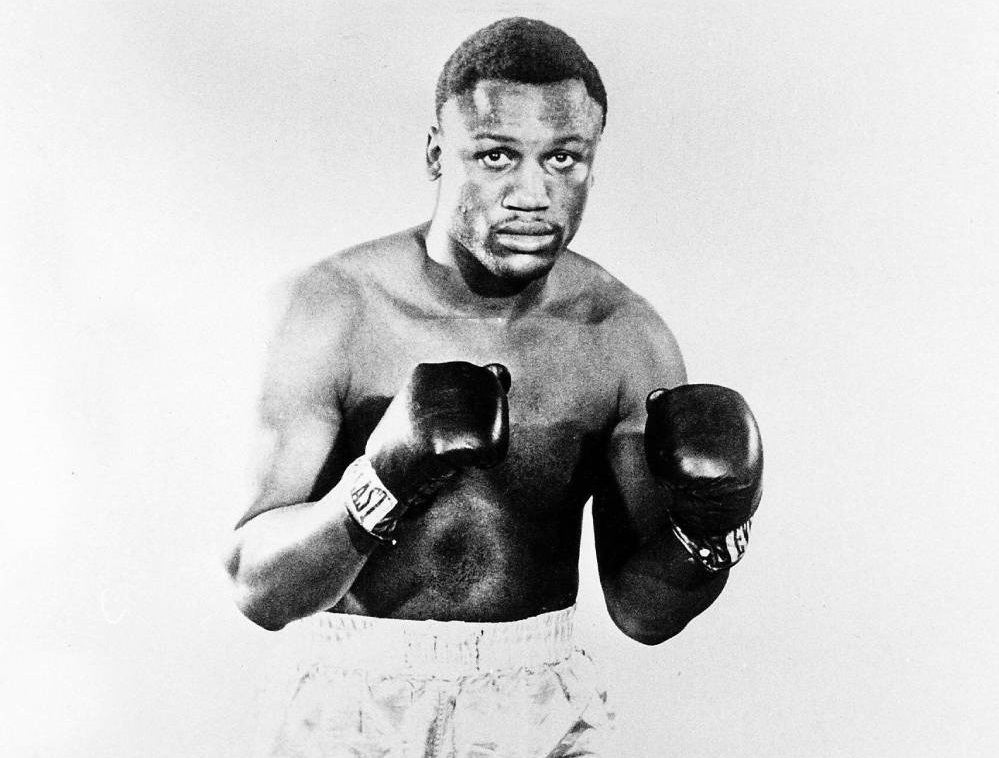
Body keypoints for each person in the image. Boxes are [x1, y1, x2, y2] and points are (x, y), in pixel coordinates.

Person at [224, 16, 762, 757]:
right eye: (497, 156)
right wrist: (381, 481)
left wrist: (710, 531)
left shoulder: (622, 337)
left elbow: (643, 614)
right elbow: (258, 589)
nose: (532, 193)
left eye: (563, 158)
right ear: (436, 154)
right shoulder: (335, 311)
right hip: (355, 702)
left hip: (541, 704)